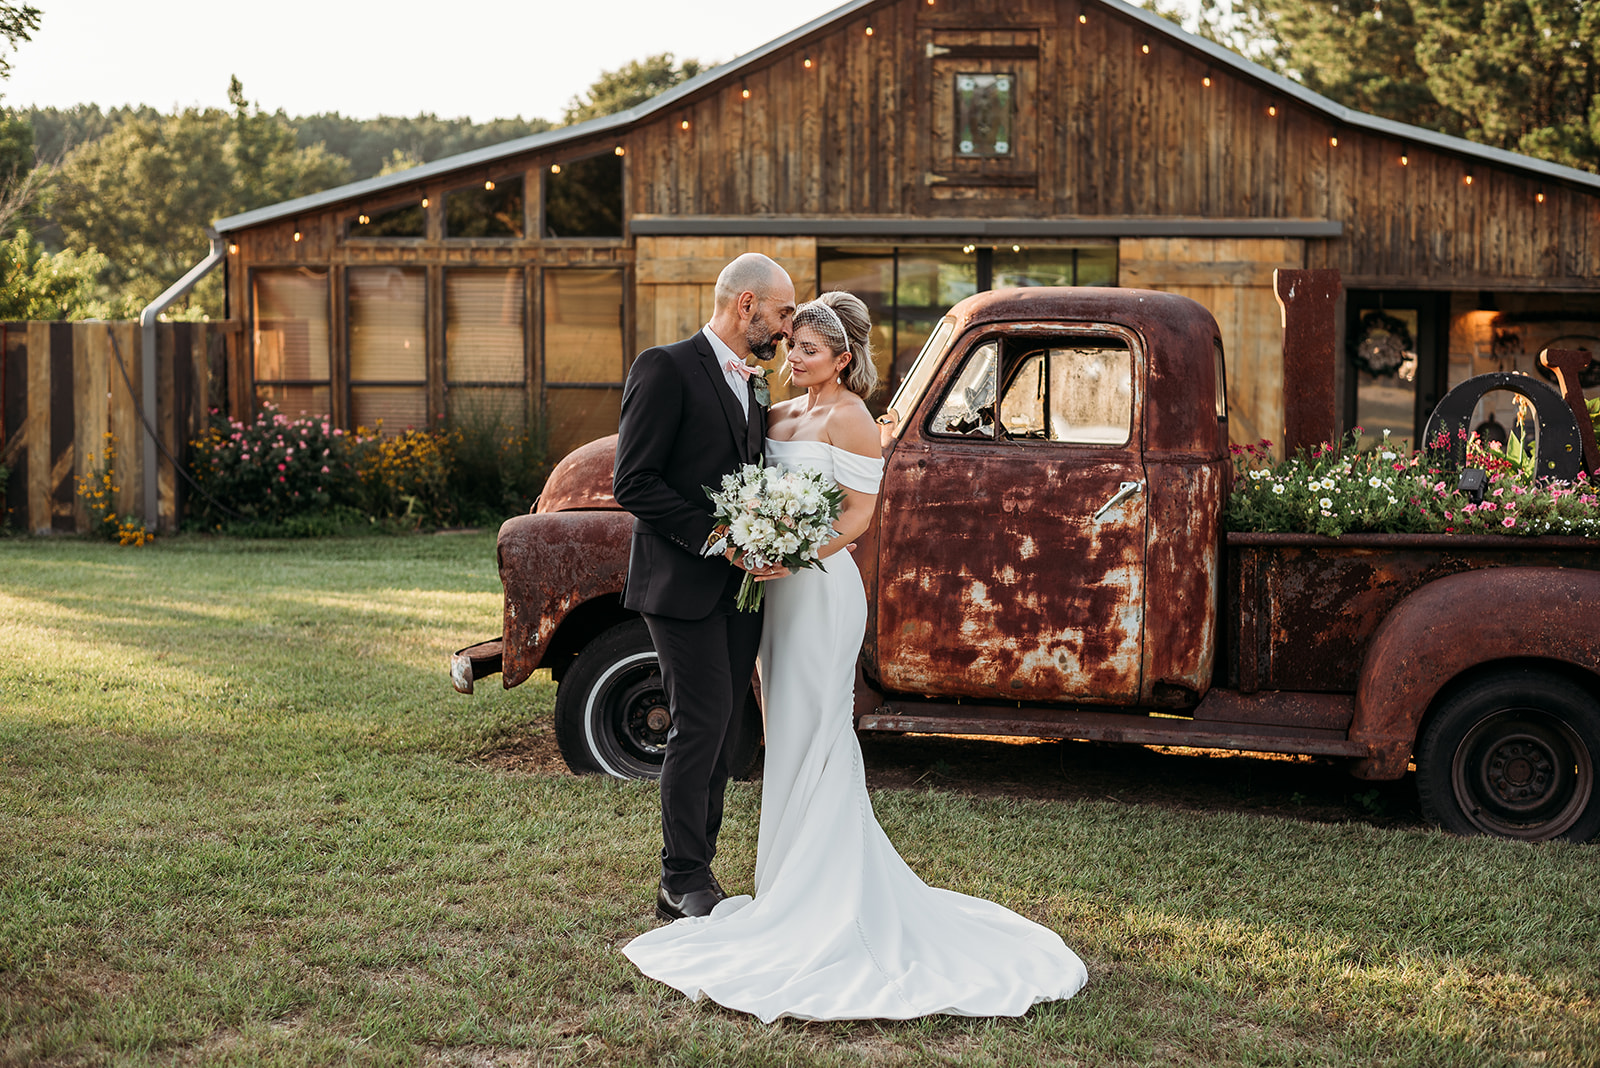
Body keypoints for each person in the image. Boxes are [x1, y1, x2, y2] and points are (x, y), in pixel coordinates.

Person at [623, 291, 1089, 1022]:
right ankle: (783, 885)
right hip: (769, 589)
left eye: (809, 347)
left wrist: (793, 550)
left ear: (844, 358)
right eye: (793, 343)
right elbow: (741, 479)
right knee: (784, 731)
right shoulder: (770, 412)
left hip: (817, 586)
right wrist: (759, 542)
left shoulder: (854, 420)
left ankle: (827, 890)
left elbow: (860, 516)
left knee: (819, 727)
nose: (793, 353)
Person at [612, 252, 796, 923]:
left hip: (737, 589)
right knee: (701, 724)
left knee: (725, 730)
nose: (785, 330)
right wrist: (723, 539)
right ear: (745, 304)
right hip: (680, 582)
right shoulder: (664, 367)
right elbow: (633, 482)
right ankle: (680, 878)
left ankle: (701, 869)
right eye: (779, 314)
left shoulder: (753, 383)